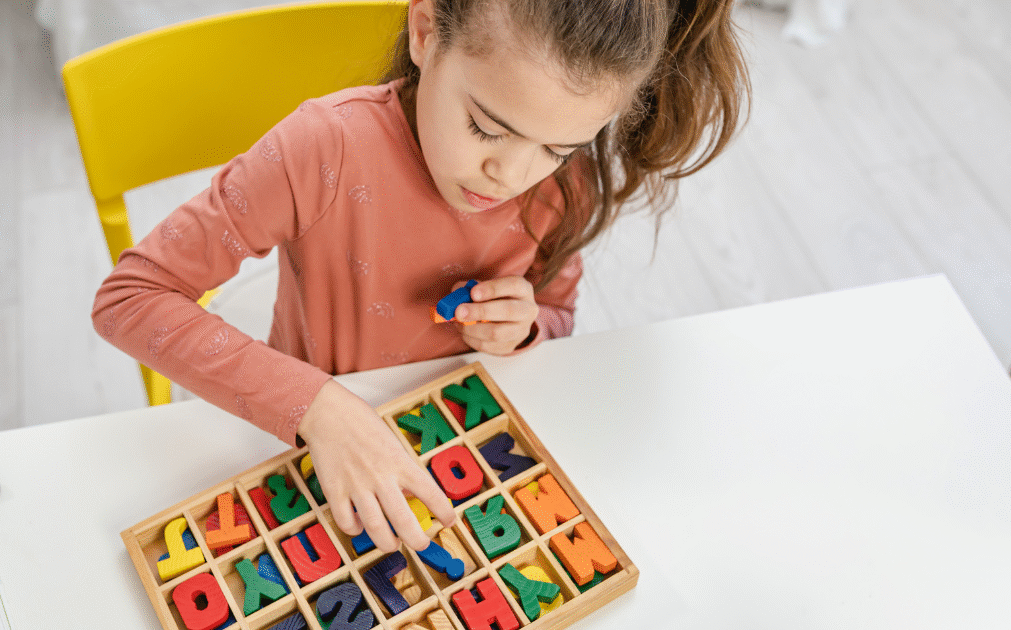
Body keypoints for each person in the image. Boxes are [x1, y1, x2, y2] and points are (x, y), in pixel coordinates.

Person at [92, 0, 749, 555]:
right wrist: (319, 408)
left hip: (454, 435)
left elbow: (556, 313)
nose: (512, 175)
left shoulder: (564, 186)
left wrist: (524, 328)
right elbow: (129, 299)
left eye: (557, 149)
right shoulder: (325, 148)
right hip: (312, 431)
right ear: (427, 30)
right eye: (486, 128)